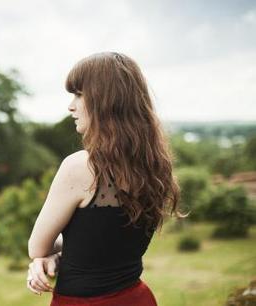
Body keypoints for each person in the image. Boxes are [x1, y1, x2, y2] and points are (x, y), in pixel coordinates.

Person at [26, 52, 189, 306]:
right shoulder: (153, 165)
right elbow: (100, 242)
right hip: (137, 298)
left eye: (79, 94)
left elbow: (37, 247)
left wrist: (48, 256)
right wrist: (59, 257)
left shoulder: (80, 166)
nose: (71, 105)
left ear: (105, 101)